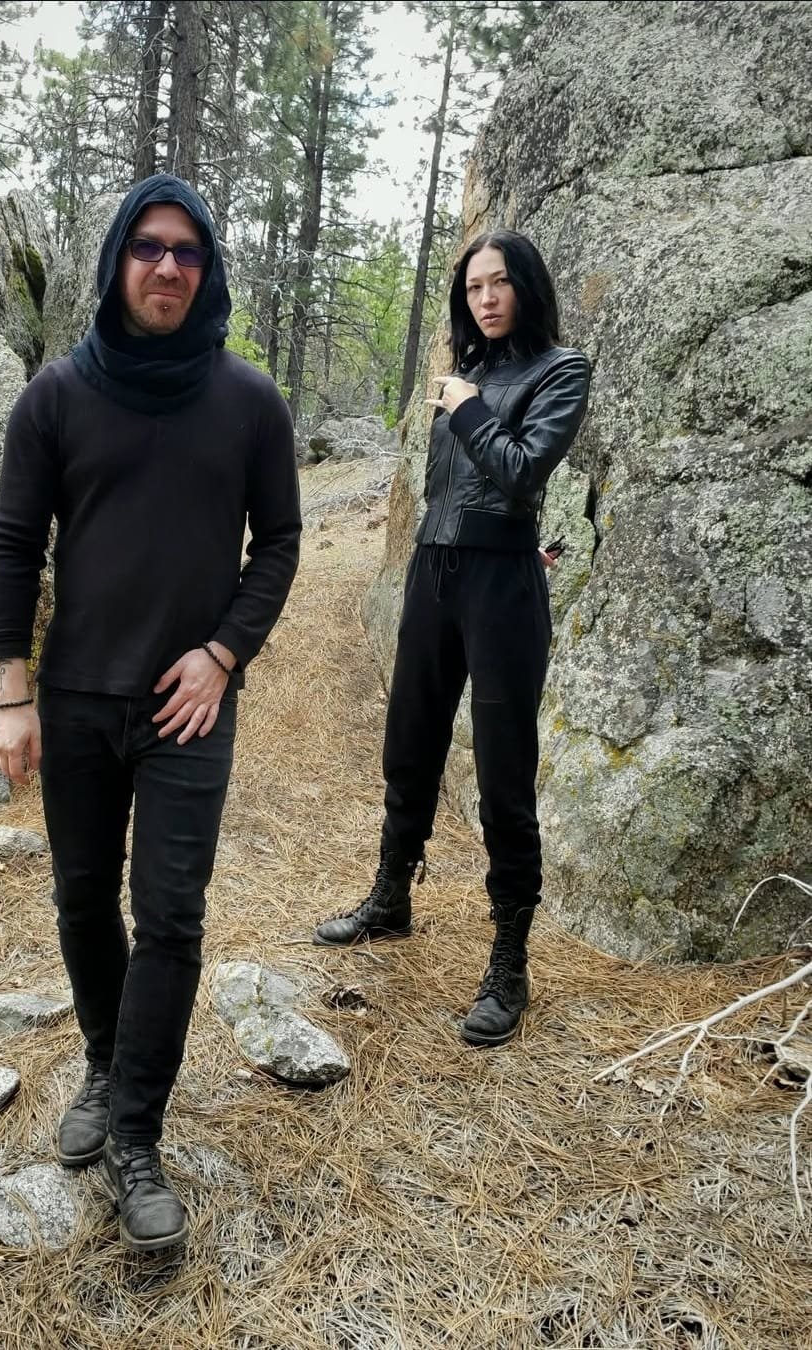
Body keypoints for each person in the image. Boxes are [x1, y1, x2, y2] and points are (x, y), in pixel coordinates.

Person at [0, 174, 301, 1252]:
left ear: (206, 271)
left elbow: (282, 545)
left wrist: (220, 654)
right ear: (118, 259)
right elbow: (16, 548)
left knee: (169, 915)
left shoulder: (248, 402)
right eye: (149, 248)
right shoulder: (57, 397)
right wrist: (10, 697)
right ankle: (103, 1059)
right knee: (82, 900)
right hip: (73, 702)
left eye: (188, 253)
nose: (168, 267)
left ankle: (133, 1134)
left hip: (187, 711)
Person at [313, 229, 591, 1049]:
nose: (485, 298)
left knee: (504, 770)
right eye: (473, 287)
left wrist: (465, 409)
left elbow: (519, 472)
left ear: (527, 288)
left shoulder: (559, 372)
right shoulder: (465, 375)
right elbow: (450, 489)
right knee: (409, 745)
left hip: (501, 588)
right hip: (434, 578)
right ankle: (390, 898)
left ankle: (509, 959)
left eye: (500, 282)